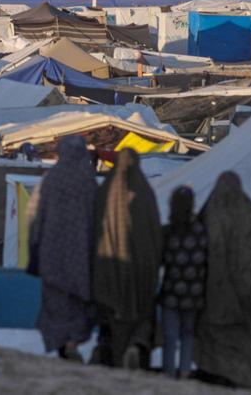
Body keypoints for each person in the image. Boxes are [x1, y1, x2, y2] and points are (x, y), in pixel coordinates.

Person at [194, 171, 251, 389]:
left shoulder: (210, 210)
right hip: (244, 291)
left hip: (213, 293)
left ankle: (213, 375)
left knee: (212, 339)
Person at [28, 135, 98, 360]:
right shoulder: (88, 181)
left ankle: (59, 344)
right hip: (81, 256)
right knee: (77, 304)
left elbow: (38, 217)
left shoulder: (51, 179)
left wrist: (34, 247)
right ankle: (72, 341)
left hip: (52, 254)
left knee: (55, 303)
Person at [92, 148, 162, 369]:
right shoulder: (145, 193)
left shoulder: (105, 192)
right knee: (141, 316)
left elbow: (94, 230)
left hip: (109, 269)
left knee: (112, 320)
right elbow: (155, 234)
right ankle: (136, 347)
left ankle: (115, 357)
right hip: (140, 271)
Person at [158, 186, 208, 379]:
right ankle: (185, 371)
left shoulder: (169, 231)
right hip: (194, 294)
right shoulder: (200, 231)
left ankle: (169, 373)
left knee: (170, 337)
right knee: (188, 335)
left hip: (171, 292)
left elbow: (162, 259)